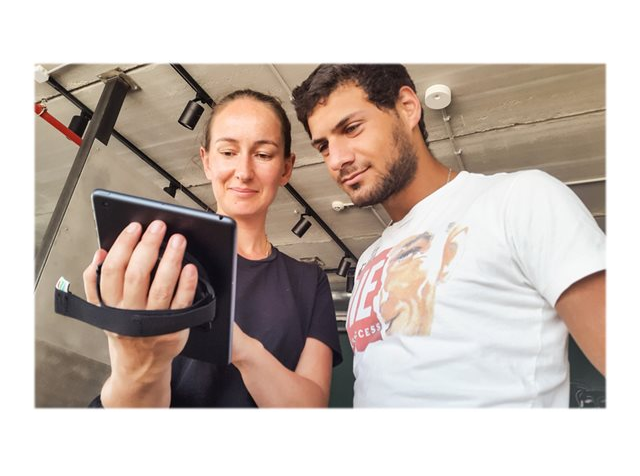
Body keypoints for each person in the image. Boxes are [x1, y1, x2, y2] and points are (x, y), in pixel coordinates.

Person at [291, 64, 605, 407]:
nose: (337, 159)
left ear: (407, 107)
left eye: (351, 128)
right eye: (323, 146)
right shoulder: (369, 259)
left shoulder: (521, 198)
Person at [83, 89, 342, 407]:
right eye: (228, 152)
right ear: (207, 162)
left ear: (286, 168)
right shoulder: (162, 258)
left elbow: (311, 408)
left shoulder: (309, 281)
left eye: (263, 155)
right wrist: (133, 363)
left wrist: (242, 348)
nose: (244, 172)